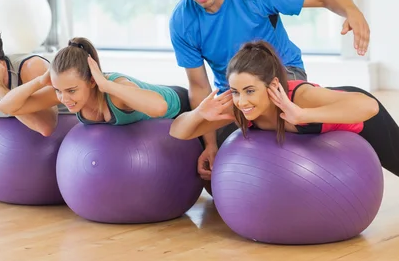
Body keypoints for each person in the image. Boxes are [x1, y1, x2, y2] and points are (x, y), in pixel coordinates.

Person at [167, 0, 371, 178]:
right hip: (234, 93)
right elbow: (199, 86)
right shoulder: (182, 20)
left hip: (281, 73)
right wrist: (210, 144)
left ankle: (308, 105)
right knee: (217, 180)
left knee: (276, 113)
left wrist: (352, 11)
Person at [170, 40, 399, 179]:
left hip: (355, 114)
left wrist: (302, 115)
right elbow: (179, 132)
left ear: (272, 86)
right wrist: (199, 113)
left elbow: (369, 106)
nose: (241, 101)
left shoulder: (301, 97)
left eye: (250, 91)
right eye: (236, 91)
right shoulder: (240, 107)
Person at [0, 37, 191, 126]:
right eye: (58, 90)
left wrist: (107, 86)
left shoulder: (115, 90)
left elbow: (160, 108)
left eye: (71, 90)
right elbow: (6, 107)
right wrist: (40, 81)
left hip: (183, 106)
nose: (64, 98)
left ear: (91, 81)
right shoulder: (64, 92)